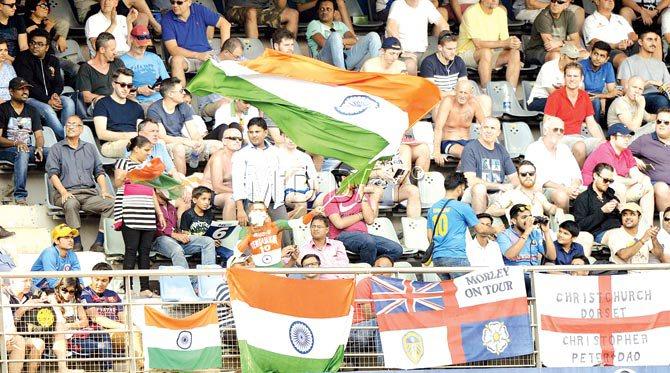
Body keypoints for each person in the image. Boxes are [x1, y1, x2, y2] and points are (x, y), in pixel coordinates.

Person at [46, 115, 114, 252]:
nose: (70, 127)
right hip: (66, 194)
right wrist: (64, 192)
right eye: (68, 124)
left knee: (111, 203)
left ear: (81, 129)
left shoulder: (89, 148)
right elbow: (52, 174)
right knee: (71, 203)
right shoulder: (56, 148)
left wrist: (104, 190)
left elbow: (99, 172)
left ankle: (99, 243)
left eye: (74, 124)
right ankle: (76, 243)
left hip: (89, 195)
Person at [113, 135, 165, 297]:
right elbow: (118, 183)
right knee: (131, 250)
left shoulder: (147, 165)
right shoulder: (123, 162)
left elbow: (152, 191)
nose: (148, 154)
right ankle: (127, 287)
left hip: (147, 213)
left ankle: (145, 288)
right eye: (146, 150)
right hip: (130, 211)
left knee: (145, 251)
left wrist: (159, 213)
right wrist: (135, 172)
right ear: (136, 148)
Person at [428, 172, 500, 278]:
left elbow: (429, 236)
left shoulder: (433, 208)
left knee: (450, 293)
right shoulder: (462, 207)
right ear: (460, 188)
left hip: (437, 258)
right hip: (456, 257)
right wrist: (495, 229)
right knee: (465, 291)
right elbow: (480, 230)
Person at [582, 123, 654, 225]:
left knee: (648, 185)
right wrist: (633, 181)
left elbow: (635, 173)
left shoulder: (626, 151)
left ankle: (647, 226)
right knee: (619, 186)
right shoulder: (604, 150)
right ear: (612, 137)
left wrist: (643, 179)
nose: (627, 139)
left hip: (617, 190)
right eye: (623, 136)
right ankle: (623, 225)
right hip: (596, 192)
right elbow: (612, 179)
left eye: (628, 136)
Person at [147, 77, 220, 174]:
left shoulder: (183, 106)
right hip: (167, 144)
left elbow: (193, 131)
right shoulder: (154, 109)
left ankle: (209, 180)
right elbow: (162, 137)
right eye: (181, 91)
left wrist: (199, 142)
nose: (184, 93)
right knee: (179, 148)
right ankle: (181, 183)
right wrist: (186, 141)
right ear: (170, 94)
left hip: (183, 141)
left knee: (219, 146)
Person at [14, 28, 75, 140]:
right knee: (47, 109)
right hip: (29, 98)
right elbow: (28, 84)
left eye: (40, 44)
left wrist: (55, 94)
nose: (35, 46)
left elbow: (59, 82)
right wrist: (47, 100)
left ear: (47, 47)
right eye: (32, 43)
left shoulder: (53, 60)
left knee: (69, 102)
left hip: (49, 97)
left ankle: (66, 133)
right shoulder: (22, 58)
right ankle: (66, 138)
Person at [81, 262, 142, 370]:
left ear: (109, 280)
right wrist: (124, 327)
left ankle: (140, 367)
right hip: (97, 335)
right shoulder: (85, 293)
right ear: (91, 278)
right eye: (97, 279)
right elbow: (96, 318)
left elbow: (123, 317)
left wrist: (129, 326)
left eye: (104, 280)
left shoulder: (113, 294)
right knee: (131, 332)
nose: (100, 283)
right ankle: (139, 367)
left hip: (116, 333)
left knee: (136, 331)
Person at [232, 118, 289, 231]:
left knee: (285, 235)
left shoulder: (276, 152)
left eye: (257, 132)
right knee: (257, 240)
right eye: (251, 132)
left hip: (276, 202)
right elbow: (237, 182)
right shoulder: (241, 154)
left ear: (265, 132)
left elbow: (283, 175)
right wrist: (240, 209)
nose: (254, 135)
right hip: (254, 203)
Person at [323, 184, 403, 265]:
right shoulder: (331, 196)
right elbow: (339, 224)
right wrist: (361, 215)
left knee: (396, 249)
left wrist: (362, 197)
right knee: (368, 242)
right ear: (344, 178)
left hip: (364, 235)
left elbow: (370, 220)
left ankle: (369, 266)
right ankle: (366, 271)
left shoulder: (361, 195)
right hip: (340, 235)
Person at [544, 62, 605, 166]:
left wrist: (603, 142)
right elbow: (547, 123)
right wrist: (551, 144)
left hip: (578, 137)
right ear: (564, 78)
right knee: (580, 146)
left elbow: (591, 123)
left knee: (603, 146)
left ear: (581, 78)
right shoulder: (555, 96)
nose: (572, 79)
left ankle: (596, 177)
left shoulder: (585, 96)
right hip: (560, 138)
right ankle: (579, 178)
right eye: (569, 76)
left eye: (575, 76)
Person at [49, 277, 111, 373]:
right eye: (64, 290)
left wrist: (70, 325)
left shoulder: (76, 301)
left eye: (71, 291)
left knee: (103, 333)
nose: (67, 294)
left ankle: (108, 370)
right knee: (102, 345)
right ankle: (107, 369)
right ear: (59, 288)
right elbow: (60, 320)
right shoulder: (53, 298)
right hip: (68, 340)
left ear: (75, 291)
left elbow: (84, 321)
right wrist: (75, 324)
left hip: (78, 334)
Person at [161, 0, 231, 84]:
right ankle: (180, 93)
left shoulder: (199, 10)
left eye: (179, 2)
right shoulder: (166, 19)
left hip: (206, 54)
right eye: (172, 2)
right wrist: (197, 55)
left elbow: (225, 24)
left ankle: (228, 94)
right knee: (176, 60)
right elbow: (173, 49)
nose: (175, 5)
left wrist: (224, 49)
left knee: (230, 55)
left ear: (189, 2)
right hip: (185, 57)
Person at [456, 0, 521, 89]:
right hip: (466, 54)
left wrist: (513, 43)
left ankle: (511, 93)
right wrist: (504, 43)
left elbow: (505, 41)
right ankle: (486, 91)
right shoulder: (471, 12)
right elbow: (478, 44)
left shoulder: (500, 12)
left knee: (515, 53)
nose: (495, 0)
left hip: (489, 54)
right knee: (485, 52)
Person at [0, 77, 45, 204]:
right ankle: (20, 196)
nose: (25, 92)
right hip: (6, 150)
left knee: (56, 152)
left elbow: (39, 136)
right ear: (11, 91)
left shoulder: (32, 110)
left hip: (27, 149)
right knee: (22, 151)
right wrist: (16, 143)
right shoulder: (2, 109)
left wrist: (39, 148)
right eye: (21, 89)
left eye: (27, 89)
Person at [460, 117, 519, 213]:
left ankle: (493, 214)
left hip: (498, 195)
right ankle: (481, 223)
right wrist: (499, 186)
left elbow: (514, 178)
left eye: (492, 128)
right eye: (485, 127)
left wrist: (510, 186)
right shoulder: (470, 148)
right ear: (480, 129)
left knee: (519, 191)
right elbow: (471, 180)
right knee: (480, 188)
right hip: (475, 193)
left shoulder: (501, 149)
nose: (488, 131)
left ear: (498, 132)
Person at [154, 189, 216, 280]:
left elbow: (177, 227)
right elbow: (154, 228)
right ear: (158, 190)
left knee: (208, 241)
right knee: (177, 249)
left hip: (175, 238)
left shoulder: (171, 206)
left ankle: (208, 279)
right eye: (168, 188)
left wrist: (180, 234)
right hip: (160, 239)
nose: (171, 190)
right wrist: (174, 235)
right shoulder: (153, 205)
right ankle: (190, 282)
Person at [497, 203, 556, 293]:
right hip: (515, 277)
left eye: (530, 217)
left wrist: (546, 232)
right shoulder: (504, 235)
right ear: (513, 221)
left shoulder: (535, 233)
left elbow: (552, 256)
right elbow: (510, 255)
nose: (529, 220)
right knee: (531, 283)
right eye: (524, 217)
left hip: (535, 275)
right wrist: (527, 232)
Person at [306, 0, 381, 70]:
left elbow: (354, 40)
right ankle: (341, 73)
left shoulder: (340, 25)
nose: (325, 12)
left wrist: (338, 43)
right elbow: (323, 43)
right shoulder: (314, 24)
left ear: (334, 12)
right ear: (318, 11)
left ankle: (377, 71)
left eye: (328, 9)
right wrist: (343, 43)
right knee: (335, 35)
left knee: (373, 36)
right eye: (322, 9)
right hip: (323, 61)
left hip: (345, 58)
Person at [385, 0, 450, 75]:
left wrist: (447, 45)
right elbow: (391, 28)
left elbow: (444, 25)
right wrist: (400, 51)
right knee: (410, 65)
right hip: (405, 52)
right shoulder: (398, 4)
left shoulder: (426, 4)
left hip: (424, 51)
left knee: (443, 58)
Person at [234, 200, 306, 267]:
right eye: (255, 210)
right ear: (249, 214)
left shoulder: (276, 225)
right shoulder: (245, 231)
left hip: (278, 270)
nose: (258, 213)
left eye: (261, 210)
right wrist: (252, 234)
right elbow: (239, 252)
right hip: (257, 270)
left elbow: (299, 223)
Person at [93, 67, 145, 158]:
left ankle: (170, 172)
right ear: (113, 84)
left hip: (135, 142)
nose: (126, 89)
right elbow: (101, 134)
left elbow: (141, 132)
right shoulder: (102, 104)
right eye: (122, 85)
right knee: (136, 145)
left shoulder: (137, 107)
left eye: (129, 86)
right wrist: (129, 136)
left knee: (159, 143)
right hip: (110, 144)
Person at [486, 160, 562, 218]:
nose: (528, 176)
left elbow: (550, 209)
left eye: (531, 174)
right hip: (519, 236)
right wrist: (510, 211)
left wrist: (557, 210)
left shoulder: (539, 195)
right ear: (518, 176)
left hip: (539, 234)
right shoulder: (511, 194)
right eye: (524, 174)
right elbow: (490, 211)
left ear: (535, 175)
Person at [617, 30, 670, 114]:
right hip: (640, 97)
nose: (653, 43)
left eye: (655, 40)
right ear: (640, 42)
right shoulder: (628, 62)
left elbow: (668, 86)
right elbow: (625, 90)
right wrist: (648, 82)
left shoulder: (661, 64)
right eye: (649, 39)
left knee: (662, 99)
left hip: (662, 96)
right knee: (661, 100)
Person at [433, 79, 486, 160]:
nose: (462, 95)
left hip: (467, 142)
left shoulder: (473, 103)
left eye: (465, 93)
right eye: (460, 92)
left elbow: (485, 125)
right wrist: (437, 152)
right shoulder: (448, 102)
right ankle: (459, 172)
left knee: (483, 152)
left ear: (470, 94)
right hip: (449, 142)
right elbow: (438, 127)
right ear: (455, 91)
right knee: (466, 153)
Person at [75, 32, 126, 116]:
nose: (115, 52)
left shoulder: (118, 63)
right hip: (98, 105)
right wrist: (108, 100)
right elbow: (85, 96)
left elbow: (126, 84)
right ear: (102, 50)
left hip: (120, 101)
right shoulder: (86, 68)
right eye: (112, 49)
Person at [629, 108, 670, 211]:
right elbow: (621, 153)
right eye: (659, 121)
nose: (661, 124)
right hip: (657, 185)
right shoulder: (645, 140)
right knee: (662, 188)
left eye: (666, 122)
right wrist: (634, 159)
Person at [2, 277, 45, 373]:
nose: (29, 284)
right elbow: (6, 323)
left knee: (38, 343)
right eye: (25, 281)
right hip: (9, 335)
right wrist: (22, 309)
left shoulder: (31, 295)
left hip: (25, 336)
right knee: (19, 341)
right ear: (13, 281)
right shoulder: (4, 295)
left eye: (30, 281)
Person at [119, 25, 170, 106]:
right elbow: (119, 88)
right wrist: (139, 90)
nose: (143, 47)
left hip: (161, 100)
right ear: (131, 39)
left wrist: (161, 87)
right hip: (139, 102)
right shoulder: (121, 61)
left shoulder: (155, 58)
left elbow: (168, 82)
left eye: (145, 44)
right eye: (140, 44)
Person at [524, 0, 586, 65]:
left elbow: (576, 42)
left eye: (560, 2)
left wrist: (561, 43)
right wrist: (573, 50)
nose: (555, 4)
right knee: (556, 56)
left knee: (585, 55)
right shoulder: (544, 17)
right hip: (537, 51)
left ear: (566, 5)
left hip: (560, 49)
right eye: (553, 1)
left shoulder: (569, 15)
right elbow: (550, 47)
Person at [572, 162, 621, 243]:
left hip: (618, 229)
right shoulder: (583, 198)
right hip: (600, 233)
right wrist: (602, 211)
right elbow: (579, 225)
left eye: (610, 181)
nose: (608, 183)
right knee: (618, 236)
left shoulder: (610, 195)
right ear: (595, 176)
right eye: (605, 180)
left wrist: (620, 210)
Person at [200, 126, 242, 220]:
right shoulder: (218, 158)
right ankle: (230, 231)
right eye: (233, 138)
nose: (237, 141)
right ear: (224, 141)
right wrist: (240, 193)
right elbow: (217, 187)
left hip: (230, 191)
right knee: (231, 199)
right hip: (210, 193)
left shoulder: (240, 157)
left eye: (240, 139)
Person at [582, 0, 637, 68]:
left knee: (650, 46)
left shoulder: (620, 18)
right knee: (623, 61)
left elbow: (633, 35)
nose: (611, 1)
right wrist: (615, 45)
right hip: (609, 50)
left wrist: (630, 40)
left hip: (629, 47)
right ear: (597, 2)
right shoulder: (590, 20)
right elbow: (595, 42)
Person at [526, 44, 580, 111]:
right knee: (562, 103)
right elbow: (553, 93)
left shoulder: (575, 70)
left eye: (576, 59)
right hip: (539, 100)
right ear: (562, 56)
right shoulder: (548, 67)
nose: (574, 62)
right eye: (571, 58)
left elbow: (580, 89)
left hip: (560, 101)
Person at [278, 131, 321, 217]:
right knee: (300, 201)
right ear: (283, 136)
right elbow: (276, 182)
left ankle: (317, 228)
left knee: (327, 199)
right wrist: (291, 170)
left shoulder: (305, 157)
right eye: (288, 137)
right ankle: (296, 227)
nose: (291, 140)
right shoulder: (276, 155)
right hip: (290, 192)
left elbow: (314, 179)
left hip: (307, 191)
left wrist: (313, 191)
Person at [579, 42, 621, 123]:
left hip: (598, 96)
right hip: (582, 97)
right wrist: (602, 97)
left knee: (617, 99)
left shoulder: (608, 66)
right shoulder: (581, 65)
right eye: (596, 54)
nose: (598, 58)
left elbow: (612, 91)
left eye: (602, 56)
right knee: (596, 101)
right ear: (590, 54)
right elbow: (579, 91)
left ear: (607, 59)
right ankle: (595, 128)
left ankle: (611, 126)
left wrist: (600, 96)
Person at [31, 224, 81, 290]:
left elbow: (78, 277)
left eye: (71, 237)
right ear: (56, 241)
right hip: (38, 287)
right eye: (66, 237)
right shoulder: (49, 253)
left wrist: (79, 288)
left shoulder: (72, 254)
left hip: (59, 287)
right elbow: (52, 281)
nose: (70, 240)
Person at [298, 214, 349, 279]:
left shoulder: (338, 245)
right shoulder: (303, 248)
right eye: (313, 226)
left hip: (336, 283)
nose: (315, 229)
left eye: (319, 227)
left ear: (327, 230)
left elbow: (343, 265)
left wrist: (318, 267)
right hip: (314, 284)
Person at [226, 0, 298, 39]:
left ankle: (286, 50)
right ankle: (254, 52)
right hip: (236, 8)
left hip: (262, 10)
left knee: (293, 14)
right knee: (251, 12)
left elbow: (281, 6)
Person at [0, 284, 26, 373]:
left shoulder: (2, 297)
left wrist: (8, 338)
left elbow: (10, 323)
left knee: (19, 340)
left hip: (5, 338)